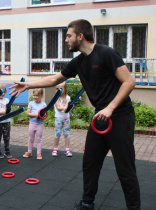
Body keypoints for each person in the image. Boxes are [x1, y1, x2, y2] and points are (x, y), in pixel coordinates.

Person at [10, 19, 140, 210]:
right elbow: (55, 78)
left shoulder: (106, 54)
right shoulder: (78, 62)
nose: (66, 40)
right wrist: (28, 85)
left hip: (120, 116)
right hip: (100, 118)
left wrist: (110, 108)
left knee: (125, 169)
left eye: (68, 35)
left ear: (80, 36)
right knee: (90, 163)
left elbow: (129, 82)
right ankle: (87, 203)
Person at [22, 88, 46, 160]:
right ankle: (29, 151)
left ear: (41, 95)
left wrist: (41, 116)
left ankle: (39, 153)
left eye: (37, 95)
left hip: (40, 124)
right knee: (31, 138)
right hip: (32, 124)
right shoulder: (31, 103)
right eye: (34, 95)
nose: (35, 97)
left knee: (39, 139)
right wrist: (36, 115)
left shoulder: (43, 104)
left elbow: (45, 115)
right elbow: (28, 113)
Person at [52, 82, 72, 157]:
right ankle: (55, 149)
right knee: (57, 133)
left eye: (61, 88)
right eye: (57, 88)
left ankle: (67, 149)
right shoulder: (55, 97)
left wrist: (65, 108)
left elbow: (67, 107)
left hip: (66, 118)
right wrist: (64, 108)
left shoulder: (67, 98)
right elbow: (58, 108)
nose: (58, 90)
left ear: (65, 89)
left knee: (66, 133)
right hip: (58, 118)